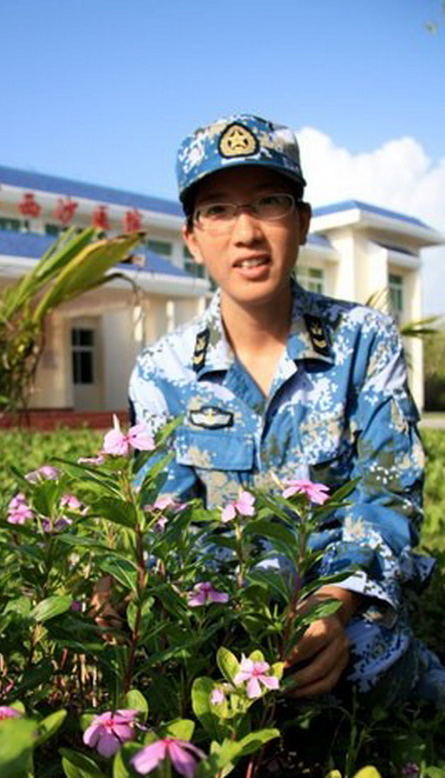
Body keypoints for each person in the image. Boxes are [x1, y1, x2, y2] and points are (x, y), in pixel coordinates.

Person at [128, 112, 445, 704]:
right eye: (218, 210)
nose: (245, 232)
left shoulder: (362, 341)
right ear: (192, 238)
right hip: (217, 613)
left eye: (268, 202)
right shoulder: (162, 372)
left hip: (343, 606)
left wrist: (332, 606)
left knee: (375, 665)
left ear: (301, 222)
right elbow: (163, 519)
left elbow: (387, 494)